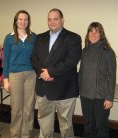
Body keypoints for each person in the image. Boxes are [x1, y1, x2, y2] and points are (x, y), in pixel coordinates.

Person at [31, 8, 82, 138]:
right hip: (44, 88)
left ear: (62, 20)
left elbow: (71, 61)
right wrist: (41, 73)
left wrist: (50, 72)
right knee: (44, 122)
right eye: (49, 19)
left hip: (64, 89)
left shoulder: (73, 38)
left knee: (66, 125)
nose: (52, 22)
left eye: (55, 19)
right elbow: (34, 58)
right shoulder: (40, 37)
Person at [78, 22, 116, 138]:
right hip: (85, 96)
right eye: (91, 31)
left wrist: (109, 97)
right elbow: (81, 72)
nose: (93, 34)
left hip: (101, 97)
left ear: (101, 34)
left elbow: (112, 76)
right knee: (88, 126)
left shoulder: (108, 52)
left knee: (101, 127)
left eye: (96, 31)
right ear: (88, 33)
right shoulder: (84, 51)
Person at [3, 10, 36, 138]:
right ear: (16, 21)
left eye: (26, 19)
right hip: (14, 75)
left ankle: (26, 134)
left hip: (31, 74)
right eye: (20, 19)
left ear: (29, 21)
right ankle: (15, 134)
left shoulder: (34, 37)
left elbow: (38, 57)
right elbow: (5, 59)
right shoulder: (9, 37)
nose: (23, 22)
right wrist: (6, 79)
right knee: (16, 108)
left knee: (29, 108)